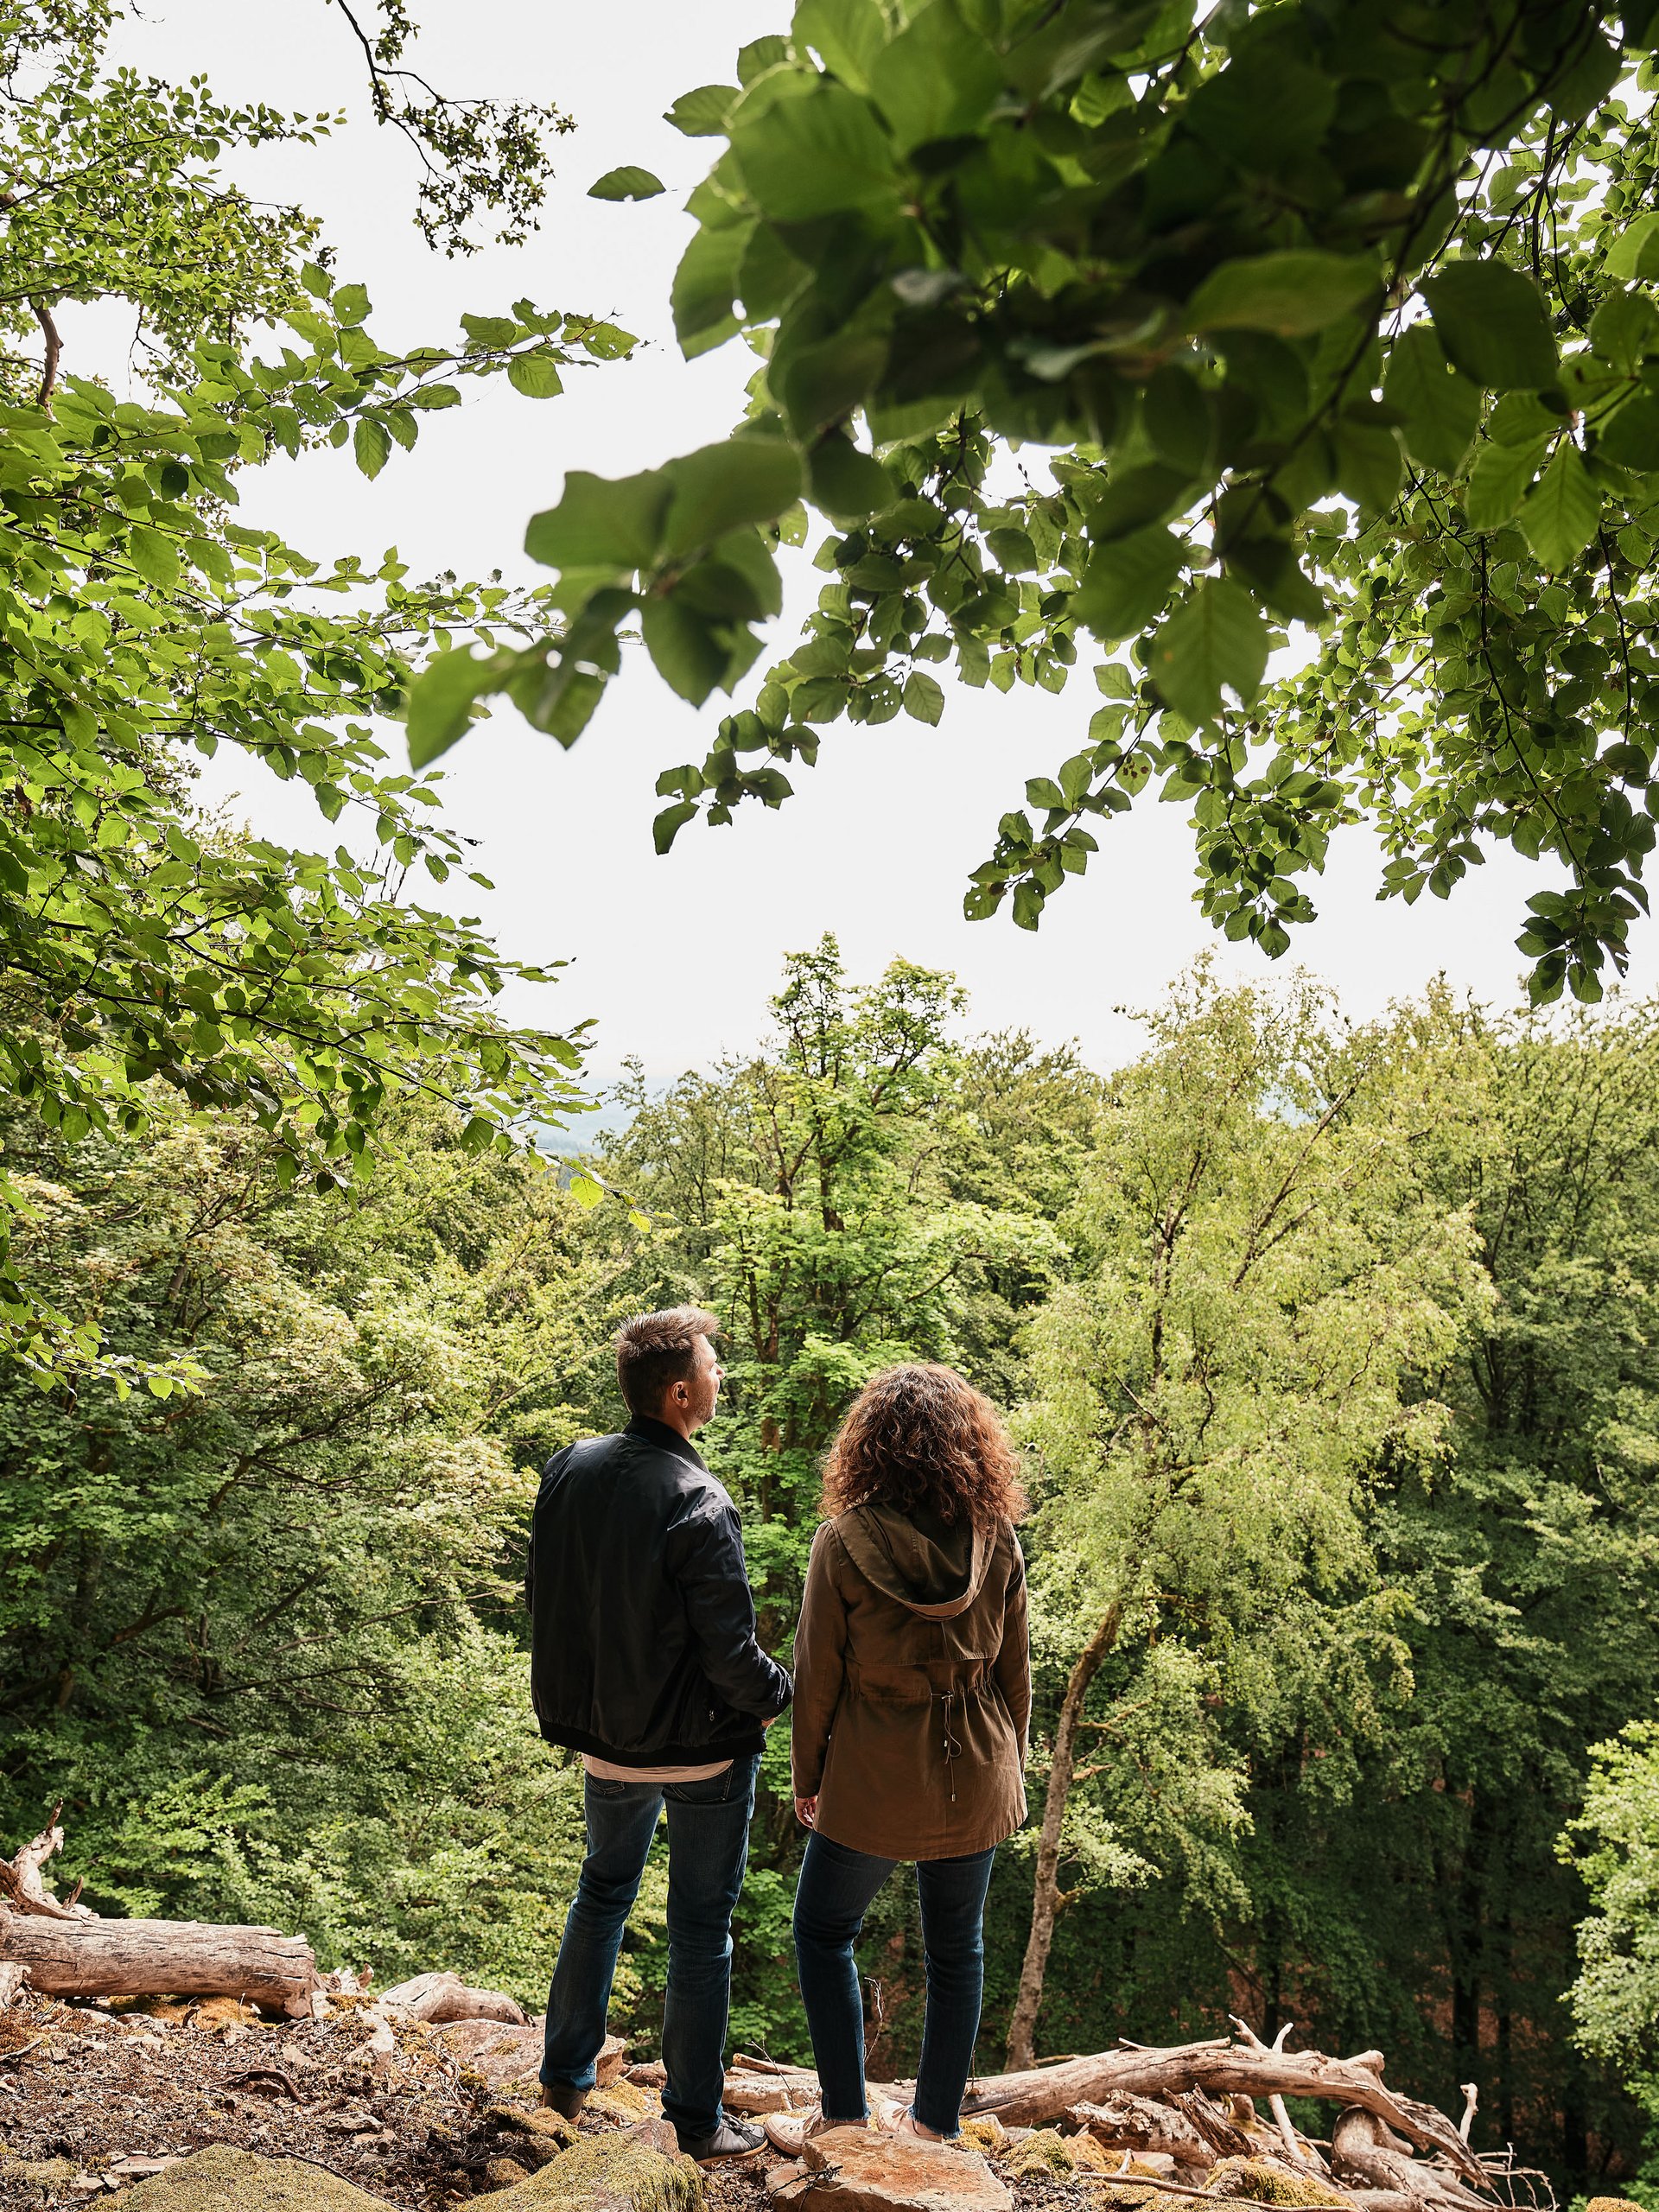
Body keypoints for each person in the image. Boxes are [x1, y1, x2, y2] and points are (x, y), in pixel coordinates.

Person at [527, 1306, 791, 2161]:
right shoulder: (701, 1502)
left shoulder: (571, 1467)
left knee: (602, 1891)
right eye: (714, 1369)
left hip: (607, 1738)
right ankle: (696, 2120)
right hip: (703, 1751)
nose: (722, 1379)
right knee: (700, 1927)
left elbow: (552, 1600)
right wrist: (781, 1692)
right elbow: (731, 1657)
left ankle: (563, 2080)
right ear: (680, 1394)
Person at [772, 1363, 1031, 2152]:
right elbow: (1016, 1670)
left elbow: (816, 1675)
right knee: (960, 1949)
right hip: (977, 1766)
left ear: (870, 1449)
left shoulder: (842, 1542)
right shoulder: (998, 1540)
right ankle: (937, 2124)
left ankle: (845, 2114)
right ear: (970, 1447)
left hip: (873, 1772)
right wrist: (1008, 1767)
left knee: (822, 1930)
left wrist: (807, 1778)